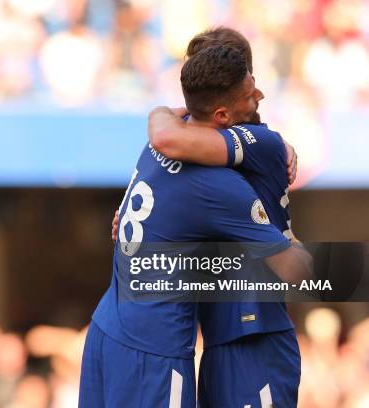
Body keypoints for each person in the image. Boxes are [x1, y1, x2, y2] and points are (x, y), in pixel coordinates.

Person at [80, 44, 311, 407]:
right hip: (160, 349)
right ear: (221, 112)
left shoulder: (161, 137)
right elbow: (297, 271)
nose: (259, 98)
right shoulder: (224, 182)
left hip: (109, 327)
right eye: (250, 94)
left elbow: (162, 128)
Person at [145, 27, 303, 407]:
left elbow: (167, 138)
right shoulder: (216, 139)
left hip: (257, 334)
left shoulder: (259, 142)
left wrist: (160, 111)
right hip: (218, 337)